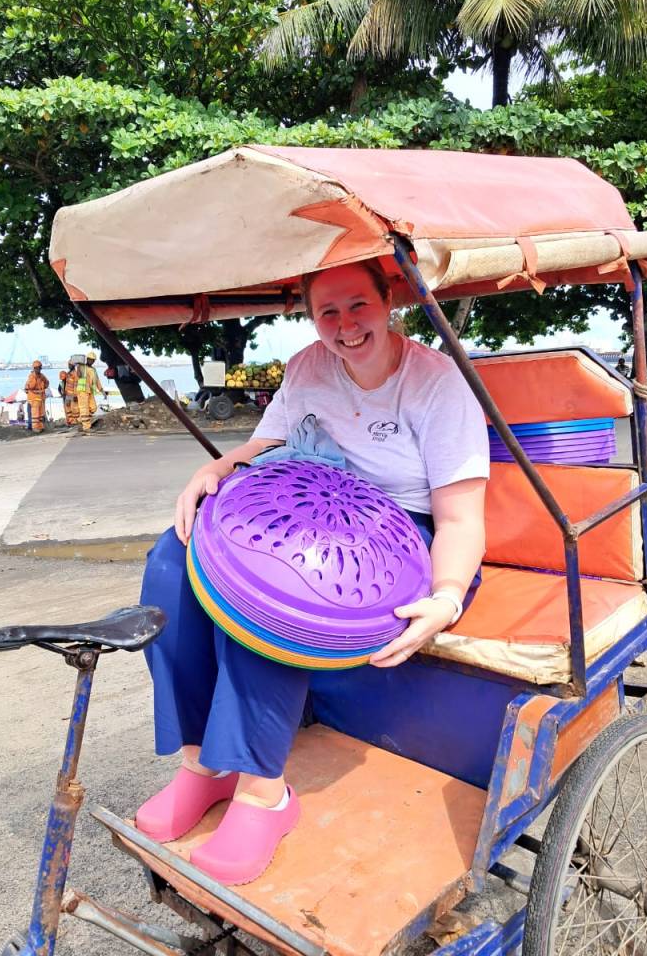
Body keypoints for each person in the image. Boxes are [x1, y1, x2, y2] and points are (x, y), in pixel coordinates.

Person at [135, 262, 489, 886]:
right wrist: (215, 470)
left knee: (273, 598)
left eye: (358, 306)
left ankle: (262, 793)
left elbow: (460, 517)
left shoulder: (436, 383)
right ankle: (202, 766)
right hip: (310, 513)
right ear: (310, 316)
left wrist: (448, 596)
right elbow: (266, 445)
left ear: (389, 299)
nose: (346, 325)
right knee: (171, 562)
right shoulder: (307, 367)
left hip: (401, 540)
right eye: (328, 312)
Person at [75, 350, 107, 432]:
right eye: (90, 359)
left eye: (93, 360)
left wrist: (102, 391)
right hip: (82, 391)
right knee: (84, 409)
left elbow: (97, 381)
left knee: (93, 408)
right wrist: (78, 366)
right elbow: (78, 376)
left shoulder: (93, 369)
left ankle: (80, 420)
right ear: (87, 359)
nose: (91, 361)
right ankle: (86, 427)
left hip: (90, 392)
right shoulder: (82, 367)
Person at [24, 360, 50, 433]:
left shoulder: (42, 376)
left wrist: (42, 387)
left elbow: (47, 383)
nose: (39, 369)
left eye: (40, 368)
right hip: (34, 398)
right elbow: (31, 386)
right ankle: (35, 427)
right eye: (37, 368)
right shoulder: (32, 376)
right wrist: (36, 379)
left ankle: (40, 426)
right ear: (34, 368)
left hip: (40, 397)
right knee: (35, 415)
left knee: (41, 414)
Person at [58, 359, 79, 427]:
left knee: (74, 409)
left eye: (70, 365)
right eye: (68, 365)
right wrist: (64, 393)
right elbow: (66, 384)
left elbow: (76, 384)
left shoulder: (75, 374)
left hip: (73, 394)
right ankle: (70, 421)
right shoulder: (68, 374)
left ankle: (75, 421)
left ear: (73, 365)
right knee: (68, 409)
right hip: (67, 394)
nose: (69, 366)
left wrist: (75, 395)